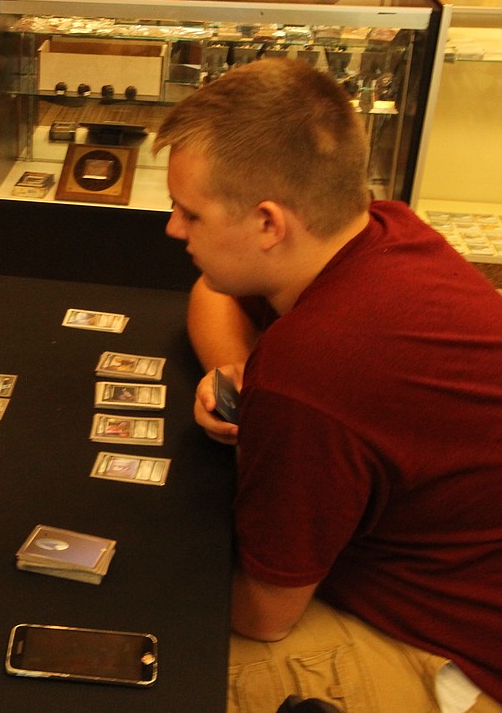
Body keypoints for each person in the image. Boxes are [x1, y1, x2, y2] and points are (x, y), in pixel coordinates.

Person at [155, 57, 502, 712]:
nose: (174, 229)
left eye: (190, 213)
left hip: (461, 655)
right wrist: (239, 369)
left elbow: (263, 615)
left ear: (267, 224)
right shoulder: (382, 228)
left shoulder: (314, 371)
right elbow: (211, 289)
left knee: (160, 654)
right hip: (465, 570)